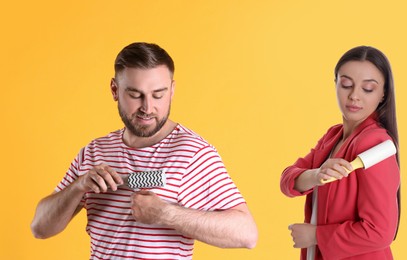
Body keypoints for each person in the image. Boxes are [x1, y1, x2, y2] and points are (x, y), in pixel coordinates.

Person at [30, 42, 258, 259]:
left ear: (172, 90)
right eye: (135, 95)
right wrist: (78, 186)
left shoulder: (193, 153)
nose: (147, 108)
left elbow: (246, 233)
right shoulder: (94, 152)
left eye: (158, 94)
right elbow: (40, 228)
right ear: (114, 90)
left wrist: (166, 214)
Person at [280, 46, 401, 260]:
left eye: (368, 89)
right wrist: (316, 175)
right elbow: (288, 180)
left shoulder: (374, 144)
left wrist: (316, 235)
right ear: (335, 83)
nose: (354, 96)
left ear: (383, 94)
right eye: (346, 84)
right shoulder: (333, 137)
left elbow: (380, 231)